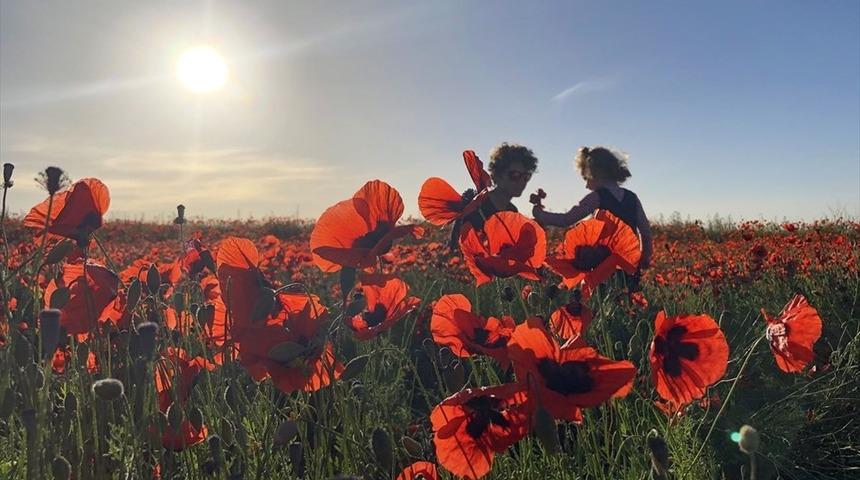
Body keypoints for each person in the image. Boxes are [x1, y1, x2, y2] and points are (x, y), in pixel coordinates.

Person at [532, 146, 653, 270]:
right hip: (629, 261)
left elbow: (566, 220)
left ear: (594, 173)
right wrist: (645, 257)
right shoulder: (632, 197)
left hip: (602, 262)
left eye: (586, 178)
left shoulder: (597, 197)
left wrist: (539, 214)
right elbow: (645, 232)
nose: (586, 186)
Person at [449, 143, 538, 249]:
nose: (522, 182)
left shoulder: (512, 211)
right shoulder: (475, 208)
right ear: (497, 175)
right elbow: (456, 249)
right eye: (515, 175)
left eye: (526, 176)